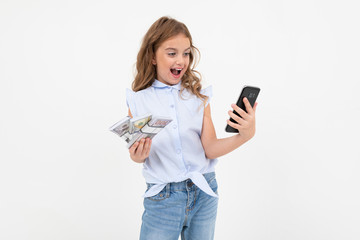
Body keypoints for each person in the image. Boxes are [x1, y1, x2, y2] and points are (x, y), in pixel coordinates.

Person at [126, 16, 258, 240]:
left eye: (186, 53)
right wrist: (138, 155)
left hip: (204, 192)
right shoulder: (138, 100)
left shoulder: (198, 96)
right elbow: (136, 155)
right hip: (162, 199)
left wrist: (245, 136)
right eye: (171, 53)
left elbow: (210, 148)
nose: (181, 60)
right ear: (152, 56)